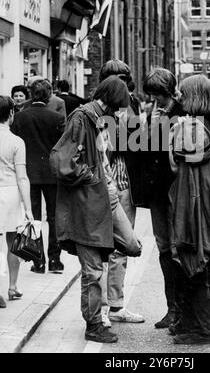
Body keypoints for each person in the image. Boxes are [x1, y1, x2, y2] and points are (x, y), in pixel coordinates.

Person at [52, 76, 142, 344]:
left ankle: (99, 253)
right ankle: (94, 324)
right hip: (90, 203)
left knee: (133, 245)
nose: (119, 111)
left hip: (107, 197)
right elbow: (61, 161)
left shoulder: (99, 119)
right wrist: (89, 176)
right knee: (92, 270)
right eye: (118, 105)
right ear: (111, 100)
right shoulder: (82, 118)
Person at [168, 75, 210, 345]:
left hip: (197, 202)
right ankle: (195, 325)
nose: (179, 98)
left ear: (193, 96)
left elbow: (176, 165)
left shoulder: (192, 127)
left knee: (195, 262)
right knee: (199, 262)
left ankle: (205, 329)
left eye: (182, 94)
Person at [98, 60, 145, 326]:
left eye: (123, 79)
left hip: (123, 183)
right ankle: (102, 307)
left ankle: (115, 305)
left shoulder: (131, 107)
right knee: (100, 248)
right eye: (115, 79)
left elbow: (136, 143)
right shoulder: (94, 110)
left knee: (122, 248)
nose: (120, 85)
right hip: (102, 185)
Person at [143, 67, 185, 329]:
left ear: (168, 90)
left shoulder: (182, 112)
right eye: (152, 94)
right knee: (163, 248)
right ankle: (172, 308)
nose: (155, 99)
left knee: (177, 247)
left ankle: (182, 309)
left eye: (158, 94)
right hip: (157, 190)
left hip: (176, 188)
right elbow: (148, 148)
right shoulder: (153, 113)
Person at [11, 80, 66, 274]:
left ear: (30, 94)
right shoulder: (57, 118)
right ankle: (55, 260)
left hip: (29, 173)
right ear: (50, 95)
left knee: (32, 217)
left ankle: (38, 260)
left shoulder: (19, 117)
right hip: (52, 173)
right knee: (54, 216)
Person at [0, 96, 34, 308]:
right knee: (14, 242)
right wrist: (29, 208)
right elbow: (22, 177)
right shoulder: (16, 142)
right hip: (11, 193)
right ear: (11, 114)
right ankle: (12, 286)